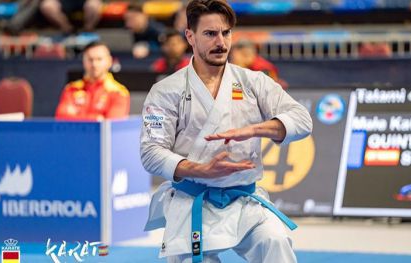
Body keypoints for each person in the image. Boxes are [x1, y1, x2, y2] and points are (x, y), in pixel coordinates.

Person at [140, 0, 312, 262]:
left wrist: (256, 129)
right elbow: (150, 152)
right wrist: (200, 170)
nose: (220, 42)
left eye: (226, 32)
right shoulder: (166, 91)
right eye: (210, 34)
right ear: (190, 36)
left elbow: (302, 120)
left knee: (276, 241)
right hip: (191, 201)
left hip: (244, 200)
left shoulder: (253, 82)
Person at [55, 41, 129, 120]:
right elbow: (61, 117)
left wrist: (76, 115)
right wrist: (97, 118)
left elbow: (111, 126)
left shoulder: (119, 92)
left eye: (99, 59)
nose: (94, 64)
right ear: (84, 61)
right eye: (90, 59)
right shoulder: (71, 89)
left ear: (109, 61)